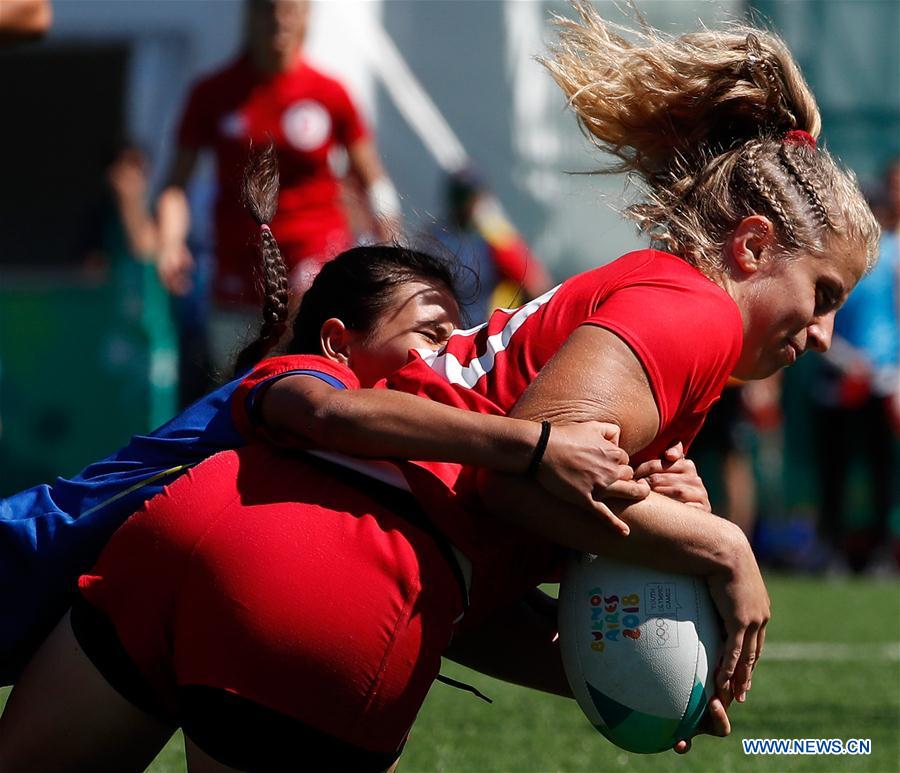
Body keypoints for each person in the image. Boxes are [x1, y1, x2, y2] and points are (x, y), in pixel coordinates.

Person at [0, 3, 880, 768]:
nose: (824, 334)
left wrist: (621, 664)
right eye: (823, 295)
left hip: (208, 517)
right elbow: (506, 478)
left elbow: (469, 558)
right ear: (753, 246)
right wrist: (719, 546)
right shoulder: (696, 312)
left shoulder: (636, 310)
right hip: (332, 575)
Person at [0, 231, 632, 686]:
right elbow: (327, 414)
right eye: (431, 338)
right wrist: (541, 444)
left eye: (458, 343)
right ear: (337, 343)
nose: (450, 363)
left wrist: (624, 665)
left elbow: (471, 596)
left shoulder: (381, 450)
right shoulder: (302, 379)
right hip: (21, 554)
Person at [156, 0, 402, 375]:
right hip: (238, 261)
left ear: (306, 16)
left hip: (315, 249)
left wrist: (390, 238)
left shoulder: (330, 93)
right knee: (236, 380)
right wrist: (170, 243)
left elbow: (372, 179)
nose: (279, 20)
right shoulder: (212, 93)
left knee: (305, 360)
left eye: (291, 9)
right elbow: (175, 186)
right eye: (268, 9)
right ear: (250, 15)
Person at [810, 158, 899, 572]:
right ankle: (831, 549)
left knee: (882, 470)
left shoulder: (895, 255)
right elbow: (819, 314)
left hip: (882, 381)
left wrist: (889, 373)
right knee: (836, 469)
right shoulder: (834, 256)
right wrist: (846, 362)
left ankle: (880, 550)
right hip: (838, 378)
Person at [435, 166, 551, 324]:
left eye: (468, 196)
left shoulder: (497, 236)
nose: (464, 203)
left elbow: (536, 285)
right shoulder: (436, 235)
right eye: (459, 195)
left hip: (484, 332)